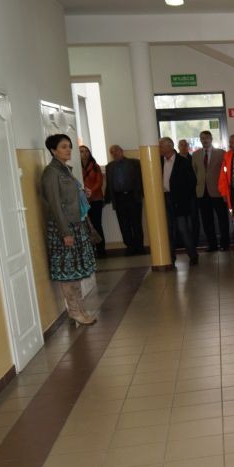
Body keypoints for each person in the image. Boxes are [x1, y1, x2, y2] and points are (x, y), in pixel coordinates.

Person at [41, 134, 98, 326]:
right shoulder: (51, 173)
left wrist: (82, 192)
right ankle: (74, 311)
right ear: (53, 150)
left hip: (75, 224)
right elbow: (55, 205)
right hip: (63, 227)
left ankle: (80, 309)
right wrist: (65, 232)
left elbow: (68, 196)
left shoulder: (65, 169)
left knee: (76, 271)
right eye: (64, 147)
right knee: (68, 272)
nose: (68, 150)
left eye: (69, 146)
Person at [160, 137, 199, 266]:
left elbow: (192, 182)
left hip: (179, 200)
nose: (159, 148)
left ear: (170, 146)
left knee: (183, 229)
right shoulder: (158, 162)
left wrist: (183, 199)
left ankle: (193, 255)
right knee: (168, 230)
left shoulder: (183, 162)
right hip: (164, 198)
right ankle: (170, 258)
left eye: (161, 146)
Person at [191, 130, 229, 252]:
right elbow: (194, 172)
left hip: (218, 191)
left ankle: (225, 244)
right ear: (200, 140)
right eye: (202, 138)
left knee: (222, 219)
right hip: (202, 192)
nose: (205, 140)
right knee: (207, 220)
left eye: (207, 138)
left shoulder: (221, 153)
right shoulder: (195, 154)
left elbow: (225, 172)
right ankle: (212, 244)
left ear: (211, 139)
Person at [105, 145, 145, 255]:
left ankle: (139, 247)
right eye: (112, 152)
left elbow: (141, 180)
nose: (115, 153)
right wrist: (106, 199)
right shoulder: (109, 167)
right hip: (119, 198)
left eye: (117, 151)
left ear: (122, 151)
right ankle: (130, 247)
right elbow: (109, 184)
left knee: (136, 223)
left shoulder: (134, 163)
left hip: (133, 196)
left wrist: (141, 194)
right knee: (123, 224)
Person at [79, 145, 106, 258]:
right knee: (85, 225)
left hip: (96, 199)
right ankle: (90, 251)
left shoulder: (95, 166)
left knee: (97, 224)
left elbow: (99, 182)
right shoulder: (76, 166)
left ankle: (101, 250)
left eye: (86, 151)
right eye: (81, 151)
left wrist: (90, 191)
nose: (84, 153)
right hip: (82, 199)